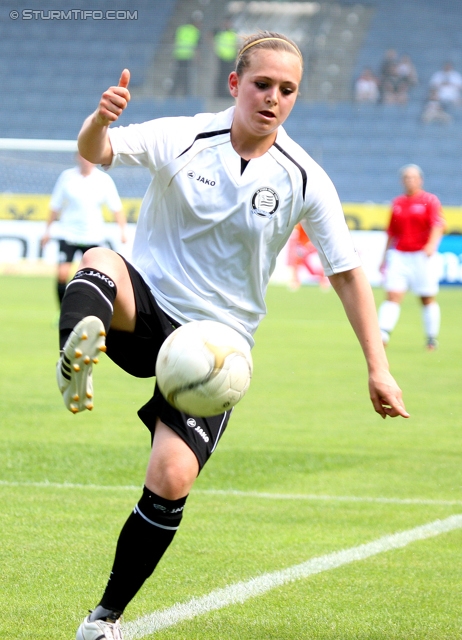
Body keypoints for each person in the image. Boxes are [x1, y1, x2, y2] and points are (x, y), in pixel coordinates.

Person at [58, 31, 409, 640]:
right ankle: (74, 353)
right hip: (147, 304)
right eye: (262, 84)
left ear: (295, 97)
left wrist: (378, 367)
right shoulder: (184, 135)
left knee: (171, 481)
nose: (273, 98)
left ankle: (103, 620)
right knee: (100, 258)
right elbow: (100, 149)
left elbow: (348, 274)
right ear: (235, 84)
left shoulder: (305, 178)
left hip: (217, 349)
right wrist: (99, 118)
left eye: (287, 90)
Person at [41, 153, 126, 308]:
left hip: (93, 235)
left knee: (94, 276)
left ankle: (91, 311)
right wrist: (47, 231)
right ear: (78, 158)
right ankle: (63, 312)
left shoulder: (103, 180)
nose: (87, 161)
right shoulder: (67, 177)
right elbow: (55, 205)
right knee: (62, 275)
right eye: (84, 157)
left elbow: (116, 208)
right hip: (68, 234)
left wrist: (122, 231)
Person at [378, 164, 446, 350]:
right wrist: (384, 257)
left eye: (413, 177)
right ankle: (382, 334)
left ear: (420, 180)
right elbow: (392, 231)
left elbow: (438, 225)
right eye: (406, 177)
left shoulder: (430, 200)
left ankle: (431, 337)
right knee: (392, 295)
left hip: (421, 255)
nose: (410, 180)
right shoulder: (398, 202)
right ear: (402, 181)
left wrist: (431, 245)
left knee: (426, 298)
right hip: (400, 255)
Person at [168, 11, 202, 97]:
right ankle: (186, 95)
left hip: (178, 55)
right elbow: (197, 47)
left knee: (177, 76)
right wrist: (198, 59)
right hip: (188, 57)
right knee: (186, 77)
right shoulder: (196, 32)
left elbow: (173, 40)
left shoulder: (181, 28)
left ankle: (172, 94)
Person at [213, 17, 239, 98]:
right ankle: (219, 93)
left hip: (230, 58)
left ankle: (227, 92)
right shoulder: (220, 32)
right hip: (222, 57)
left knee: (229, 76)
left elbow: (236, 44)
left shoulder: (233, 33)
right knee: (221, 75)